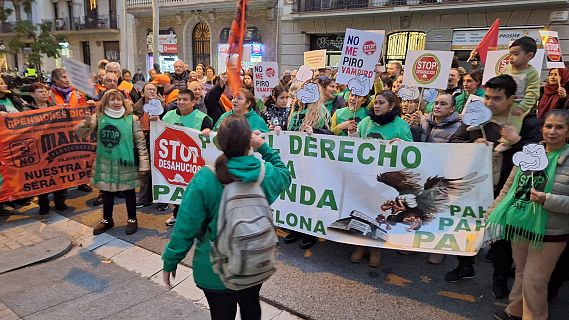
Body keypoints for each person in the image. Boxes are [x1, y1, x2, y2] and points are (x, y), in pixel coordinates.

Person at [162, 114, 291, 320]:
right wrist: (264, 148)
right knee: (251, 304)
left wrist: (171, 259)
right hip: (254, 260)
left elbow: (186, 226)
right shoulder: (264, 173)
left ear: (220, 142)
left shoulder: (205, 178)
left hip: (215, 268)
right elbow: (285, 175)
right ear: (250, 142)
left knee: (221, 314)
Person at [447, 75, 543, 300]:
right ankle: (465, 266)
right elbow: (454, 141)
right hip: (474, 187)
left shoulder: (527, 123)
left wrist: (517, 140)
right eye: (487, 97)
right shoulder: (476, 118)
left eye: (497, 98)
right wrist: (472, 144)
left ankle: (499, 279)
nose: (490, 103)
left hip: (506, 190)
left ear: (512, 98)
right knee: (466, 229)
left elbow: (538, 158)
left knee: (501, 240)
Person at [488, 110, 569, 320]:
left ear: (568, 131)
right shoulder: (529, 153)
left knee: (535, 280)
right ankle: (515, 311)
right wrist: (492, 211)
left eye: (559, 127)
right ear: (542, 128)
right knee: (522, 273)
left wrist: (547, 200)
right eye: (548, 126)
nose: (552, 131)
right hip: (521, 223)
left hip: (550, 231)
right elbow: (509, 188)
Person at [348, 90, 413, 267]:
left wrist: (402, 146)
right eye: (376, 102)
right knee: (362, 210)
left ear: (391, 106)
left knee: (380, 213)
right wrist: (352, 133)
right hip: (365, 176)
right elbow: (356, 146)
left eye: (381, 103)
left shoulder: (400, 126)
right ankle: (360, 246)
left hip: (386, 180)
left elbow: (411, 152)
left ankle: (376, 248)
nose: (376, 106)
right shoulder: (366, 122)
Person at [76, 89, 150, 235]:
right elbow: (81, 133)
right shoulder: (98, 117)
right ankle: (107, 220)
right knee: (107, 193)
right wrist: (85, 123)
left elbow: (141, 143)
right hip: (106, 163)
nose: (116, 102)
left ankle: (132, 219)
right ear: (105, 102)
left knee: (129, 193)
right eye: (112, 99)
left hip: (126, 162)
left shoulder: (132, 119)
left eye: (119, 99)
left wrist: (144, 163)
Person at [160, 89, 214, 226]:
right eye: (178, 99)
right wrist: (155, 122)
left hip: (195, 162)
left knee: (196, 191)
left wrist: (208, 132)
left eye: (185, 99)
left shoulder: (203, 119)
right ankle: (177, 214)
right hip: (176, 160)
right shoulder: (167, 116)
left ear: (194, 102)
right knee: (178, 187)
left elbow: (210, 141)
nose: (180, 102)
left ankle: (201, 218)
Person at [497, 36, 541, 151]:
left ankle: (507, 141)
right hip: (504, 100)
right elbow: (499, 82)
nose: (511, 57)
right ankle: (478, 124)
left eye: (516, 54)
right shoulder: (506, 68)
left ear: (529, 56)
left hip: (519, 103)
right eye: (510, 54)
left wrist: (522, 107)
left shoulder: (531, 73)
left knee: (514, 118)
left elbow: (533, 93)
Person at [132, 82, 168, 211]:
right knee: (145, 171)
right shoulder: (136, 108)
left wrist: (162, 114)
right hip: (143, 140)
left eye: (154, 89)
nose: (152, 92)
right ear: (142, 93)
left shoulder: (163, 107)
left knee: (160, 169)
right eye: (149, 89)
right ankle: (144, 198)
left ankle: (162, 199)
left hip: (160, 140)